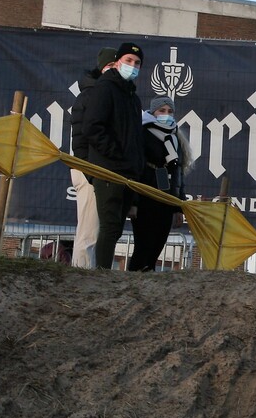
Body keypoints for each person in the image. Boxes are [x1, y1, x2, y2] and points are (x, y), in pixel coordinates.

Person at [83, 41, 146, 269]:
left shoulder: (133, 98)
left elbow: (135, 138)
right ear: (117, 62)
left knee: (117, 228)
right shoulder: (105, 88)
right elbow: (92, 127)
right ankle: (102, 275)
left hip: (128, 173)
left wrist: (135, 165)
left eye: (137, 63)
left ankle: (103, 273)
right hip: (109, 170)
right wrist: (115, 154)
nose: (133, 65)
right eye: (128, 60)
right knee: (109, 226)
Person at [127, 96, 191, 271]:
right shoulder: (143, 131)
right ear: (153, 112)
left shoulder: (175, 136)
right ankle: (133, 279)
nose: (166, 115)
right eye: (162, 111)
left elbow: (179, 173)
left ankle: (148, 276)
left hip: (166, 195)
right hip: (145, 193)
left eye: (170, 111)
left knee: (158, 243)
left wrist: (179, 206)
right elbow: (135, 167)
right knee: (143, 245)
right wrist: (133, 202)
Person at [69, 46, 117, 269]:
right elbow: (80, 138)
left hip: (101, 169)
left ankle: (91, 279)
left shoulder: (110, 96)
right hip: (90, 168)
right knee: (89, 232)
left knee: (98, 232)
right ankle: (80, 282)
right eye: (112, 66)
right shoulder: (90, 96)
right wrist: (90, 172)